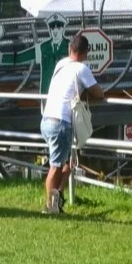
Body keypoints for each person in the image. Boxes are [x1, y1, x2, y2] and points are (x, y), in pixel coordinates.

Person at [39, 32, 106, 216]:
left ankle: (57, 199)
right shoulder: (81, 69)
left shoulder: (61, 64)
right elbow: (98, 93)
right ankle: (50, 207)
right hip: (61, 122)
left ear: (70, 49)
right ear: (86, 53)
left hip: (47, 119)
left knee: (68, 164)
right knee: (56, 166)